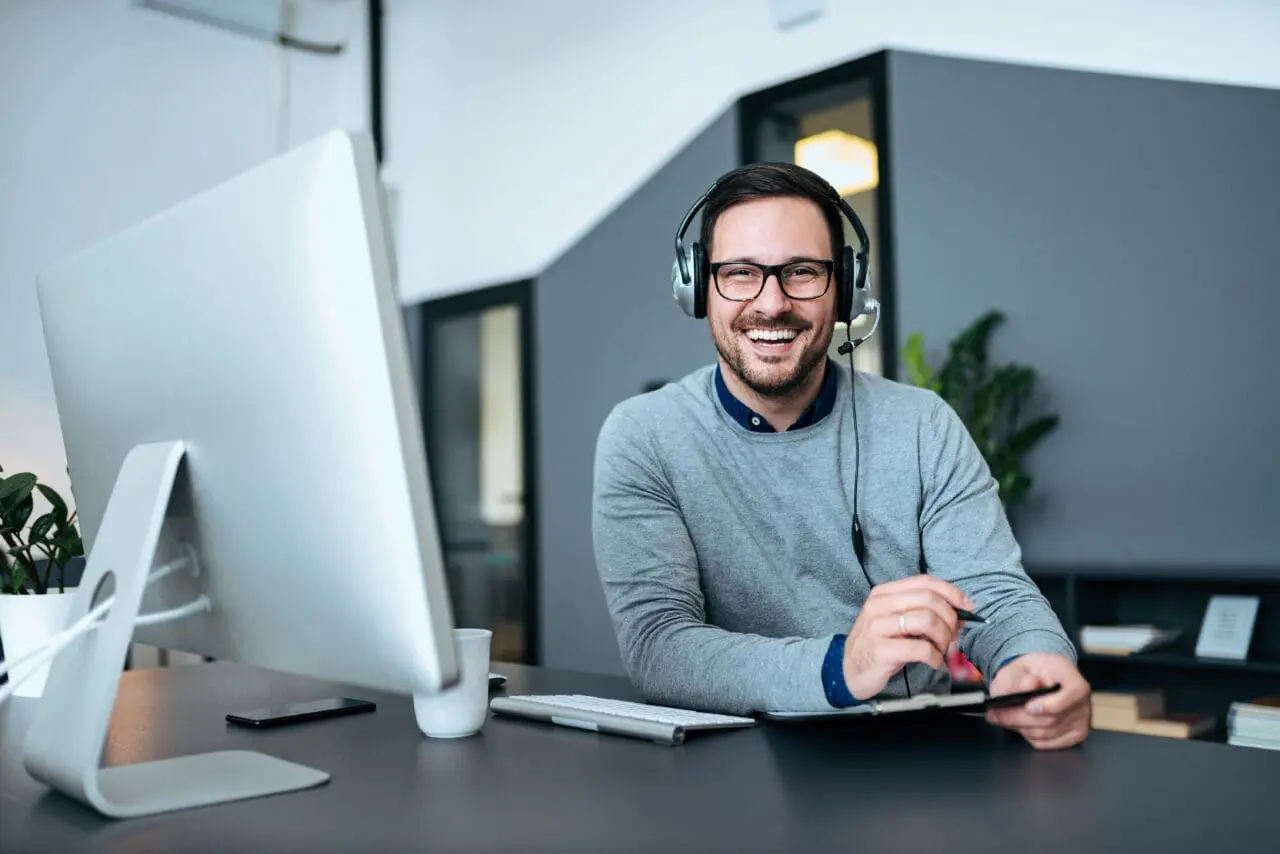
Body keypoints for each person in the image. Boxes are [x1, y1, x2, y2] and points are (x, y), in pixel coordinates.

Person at [591, 162, 1091, 750]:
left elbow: (995, 593)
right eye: (740, 273)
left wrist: (1033, 662)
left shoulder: (922, 424)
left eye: (802, 272)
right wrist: (839, 667)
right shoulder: (644, 435)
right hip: (725, 767)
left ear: (847, 286)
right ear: (698, 285)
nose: (771, 303)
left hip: (908, 758)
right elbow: (660, 646)